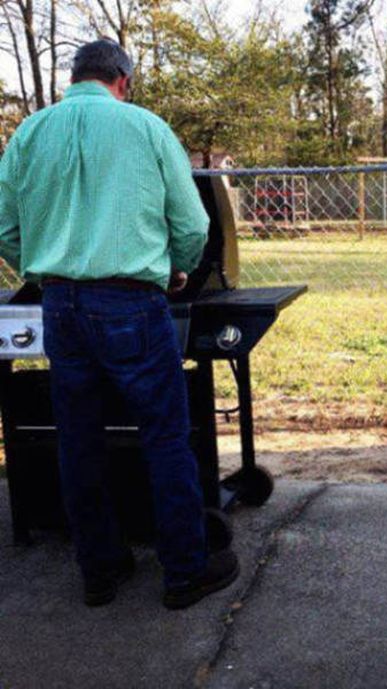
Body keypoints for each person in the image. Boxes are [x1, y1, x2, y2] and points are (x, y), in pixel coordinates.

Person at [0, 39, 239, 608]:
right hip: (132, 304)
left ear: (74, 78)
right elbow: (191, 222)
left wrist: (40, 263)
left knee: (78, 442)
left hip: (59, 305)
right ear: (123, 81)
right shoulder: (147, 128)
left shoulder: (29, 134)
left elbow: (5, 225)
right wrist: (177, 270)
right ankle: (184, 572)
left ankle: (99, 572)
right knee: (164, 438)